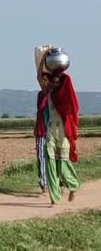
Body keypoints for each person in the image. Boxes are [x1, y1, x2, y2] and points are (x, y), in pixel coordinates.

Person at [39, 53, 81, 205]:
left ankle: (73, 186)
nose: (53, 84)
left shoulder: (65, 98)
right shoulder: (48, 93)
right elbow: (40, 77)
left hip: (62, 134)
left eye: (57, 82)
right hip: (50, 132)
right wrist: (44, 58)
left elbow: (67, 81)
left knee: (62, 165)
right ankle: (54, 198)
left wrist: (59, 70)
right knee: (50, 163)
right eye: (52, 82)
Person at [34, 72, 51, 194]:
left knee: (52, 158)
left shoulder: (54, 95)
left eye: (46, 80)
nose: (43, 82)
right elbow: (41, 107)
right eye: (42, 81)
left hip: (52, 132)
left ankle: (55, 181)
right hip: (41, 131)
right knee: (41, 157)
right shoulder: (41, 95)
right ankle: (43, 183)